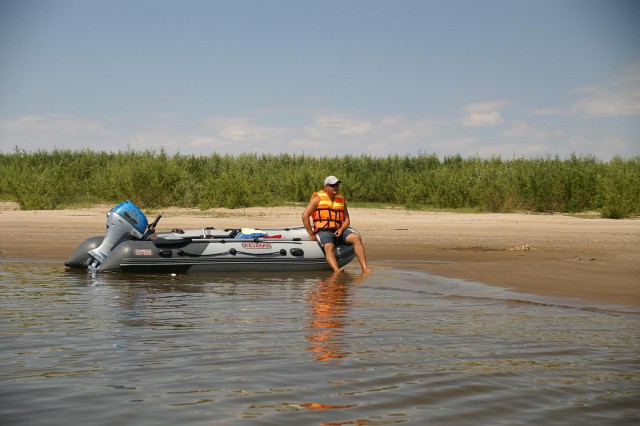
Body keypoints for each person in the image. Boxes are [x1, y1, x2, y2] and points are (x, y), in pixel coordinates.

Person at [302, 175, 371, 274]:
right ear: (326, 187)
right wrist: (311, 234)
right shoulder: (317, 199)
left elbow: (347, 219)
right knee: (329, 246)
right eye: (332, 185)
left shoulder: (341, 200)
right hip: (323, 231)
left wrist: (341, 229)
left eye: (337, 185)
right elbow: (305, 215)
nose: (335, 187)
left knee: (356, 238)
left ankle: (365, 268)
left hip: (338, 230)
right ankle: (336, 270)